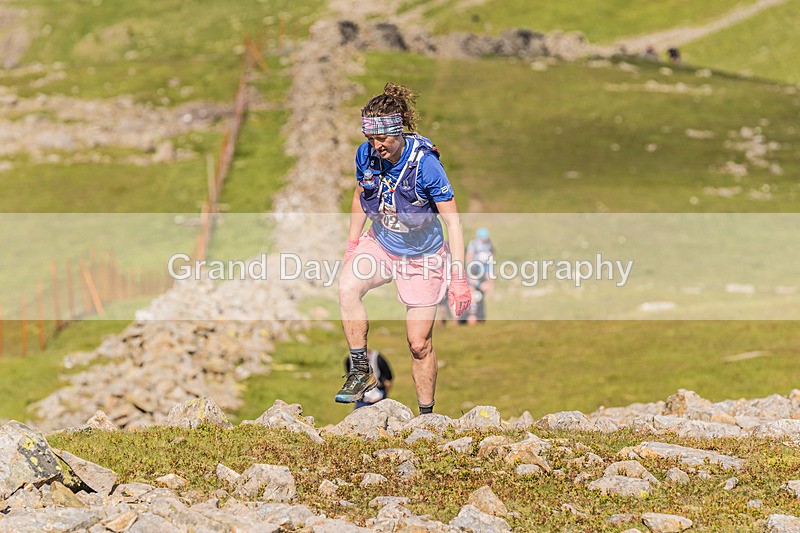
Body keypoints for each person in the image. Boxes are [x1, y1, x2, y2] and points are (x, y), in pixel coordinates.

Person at [335, 82, 471, 415]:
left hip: (423, 256)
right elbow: (358, 197)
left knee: (419, 343)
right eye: (371, 138)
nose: (376, 145)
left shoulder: (426, 166)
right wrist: (352, 247)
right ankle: (360, 370)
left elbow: (453, 222)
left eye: (382, 138)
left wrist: (459, 279)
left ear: (398, 131)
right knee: (347, 287)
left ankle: (426, 416)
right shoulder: (365, 155)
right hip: (381, 242)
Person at [461, 227, 495, 325]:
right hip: (473, 271)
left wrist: (490, 285)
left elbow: (490, 265)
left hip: (483, 273)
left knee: (480, 295)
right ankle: (469, 317)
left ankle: (480, 316)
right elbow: (469, 258)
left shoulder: (489, 245)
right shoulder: (474, 244)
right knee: (472, 295)